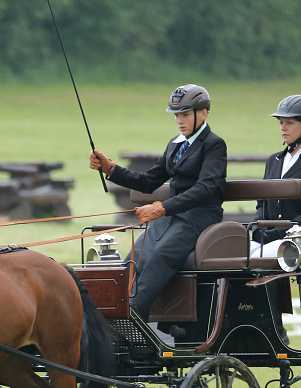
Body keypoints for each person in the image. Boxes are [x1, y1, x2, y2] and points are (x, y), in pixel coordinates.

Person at [88, 84, 227, 322]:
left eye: (185, 115)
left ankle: (133, 316)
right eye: (176, 116)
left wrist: (162, 208)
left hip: (200, 218)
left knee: (160, 256)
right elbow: (146, 182)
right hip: (173, 217)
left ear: (203, 113)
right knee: (136, 256)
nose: (179, 121)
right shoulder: (175, 145)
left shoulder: (213, 145)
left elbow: (205, 189)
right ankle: (112, 310)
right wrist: (110, 169)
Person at [250, 95, 301, 261]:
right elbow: (262, 204)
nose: (283, 128)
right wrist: (258, 226)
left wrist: (288, 228)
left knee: (255, 258)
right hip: (270, 238)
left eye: (289, 123)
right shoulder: (273, 161)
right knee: (236, 253)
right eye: (281, 123)